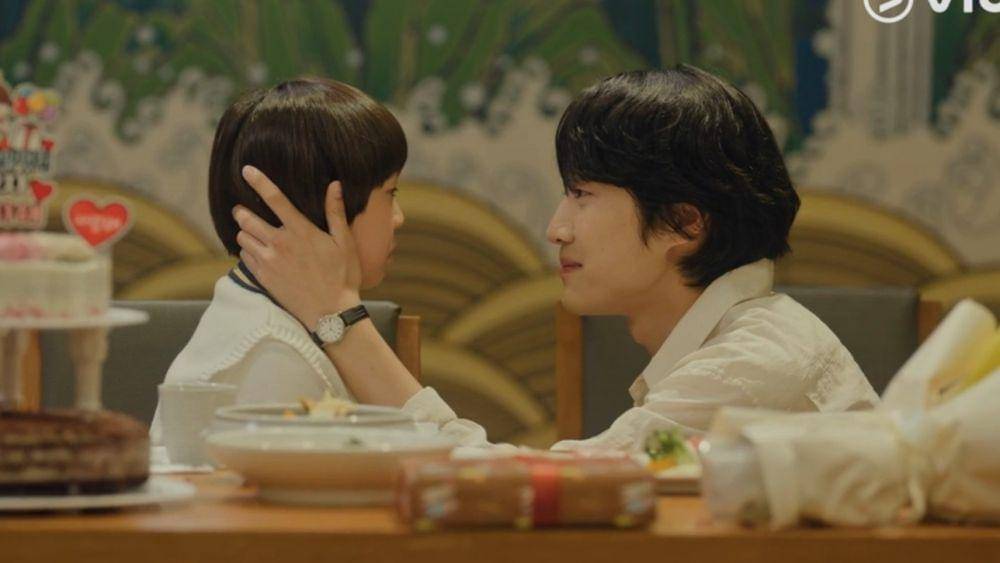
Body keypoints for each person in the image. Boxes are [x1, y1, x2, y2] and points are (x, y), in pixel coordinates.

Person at [231, 65, 879, 452]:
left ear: (684, 222)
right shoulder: (747, 341)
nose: (555, 229)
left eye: (582, 195)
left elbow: (536, 501)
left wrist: (339, 315)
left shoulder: (752, 366)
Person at [150, 78, 407, 444]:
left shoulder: (272, 321)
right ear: (321, 208)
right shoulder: (275, 356)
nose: (399, 217)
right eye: (390, 192)